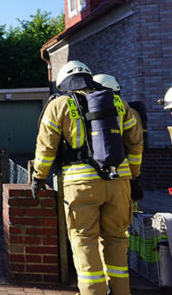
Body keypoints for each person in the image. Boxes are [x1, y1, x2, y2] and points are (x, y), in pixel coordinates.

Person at [32, 61, 143, 295]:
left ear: (65, 83)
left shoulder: (59, 104)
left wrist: (38, 177)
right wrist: (134, 178)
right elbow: (135, 142)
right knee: (116, 240)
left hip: (80, 186)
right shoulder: (117, 102)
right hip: (119, 182)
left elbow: (46, 146)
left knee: (85, 242)